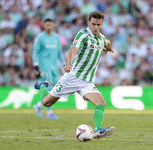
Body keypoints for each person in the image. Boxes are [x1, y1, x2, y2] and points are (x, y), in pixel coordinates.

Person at [34, 11, 115, 139]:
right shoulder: (82, 35)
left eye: (98, 25)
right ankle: (43, 85)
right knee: (46, 103)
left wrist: (108, 47)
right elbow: (72, 50)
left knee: (101, 102)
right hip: (72, 77)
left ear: (101, 24)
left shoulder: (102, 38)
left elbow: (106, 42)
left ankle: (98, 130)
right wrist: (69, 64)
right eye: (93, 24)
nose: (95, 27)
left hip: (87, 82)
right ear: (88, 23)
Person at [32, 19, 65, 119]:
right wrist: (36, 65)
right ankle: (49, 112)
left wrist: (64, 64)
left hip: (54, 67)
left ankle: (38, 105)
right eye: (47, 25)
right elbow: (35, 52)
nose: (49, 27)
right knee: (49, 88)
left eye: (50, 25)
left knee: (56, 89)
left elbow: (59, 52)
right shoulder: (40, 37)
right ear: (44, 26)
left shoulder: (56, 37)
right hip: (44, 67)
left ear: (53, 25)